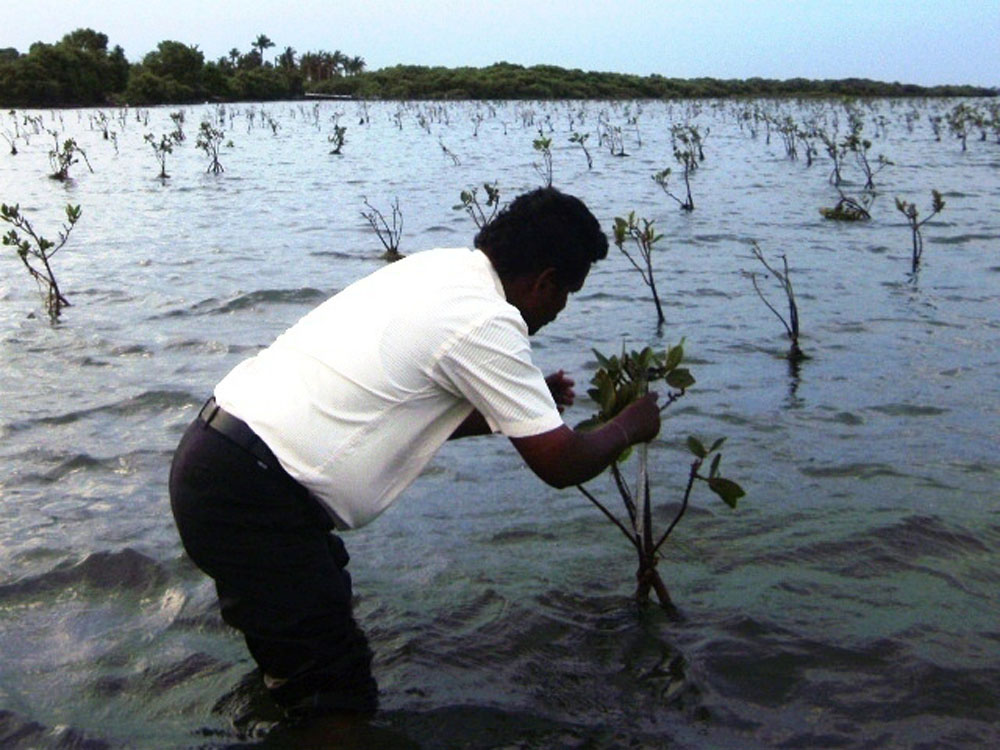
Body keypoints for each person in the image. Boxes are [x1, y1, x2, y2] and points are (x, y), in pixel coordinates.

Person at [168, 187, 661, 720]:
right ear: (544, 282)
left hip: (217, 461)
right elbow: (560, 464)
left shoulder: (439, 269)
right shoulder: (486, 320)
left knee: (309, 647)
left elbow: (401, 411)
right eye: (566, 293)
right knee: (336, 694)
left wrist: (516, 413)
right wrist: (630, 425)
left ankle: (275, 714)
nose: (561, 310)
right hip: (254, 495)